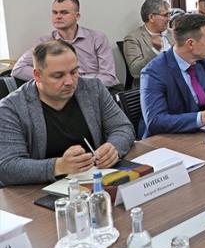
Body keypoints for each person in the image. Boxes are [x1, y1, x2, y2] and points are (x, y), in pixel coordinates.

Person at [0, 40, 134, 186]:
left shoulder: (93, 89)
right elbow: (8, 166)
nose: (69, 81)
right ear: (37, 75)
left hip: (96, 179)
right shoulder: (11, 108)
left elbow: (122, 127)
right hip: (40, 188)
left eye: (74, 72)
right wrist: (58, 166)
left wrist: (114, 147)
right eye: (58, 76)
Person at [139, 13, 205, 139]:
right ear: (190, 44)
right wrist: (203, 117)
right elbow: (155, 121)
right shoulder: (153, 73)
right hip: (168, 140)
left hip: (203, 134)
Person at [12, 0, 119, 88]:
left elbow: (109, 78)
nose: (58, 16)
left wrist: (75, 81)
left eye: (64, 12)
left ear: (77, 16)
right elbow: (18, 69)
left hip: (96, 91)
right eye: (55, 12)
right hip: (61, 93)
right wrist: (53, 78)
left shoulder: (97, 38)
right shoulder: (45, 42)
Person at [123, 0, 173, 87]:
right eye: (165, 15)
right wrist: (155, 51)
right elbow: (135, 71)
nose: (169, 19)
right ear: (151, 17)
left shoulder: (173, 33)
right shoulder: (133, 38)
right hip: (152, 86)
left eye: (169, 14)